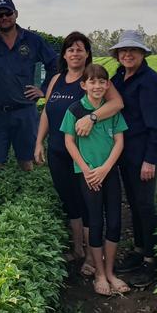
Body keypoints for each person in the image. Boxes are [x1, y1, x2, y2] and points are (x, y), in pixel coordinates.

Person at [34, 32, 124, 275]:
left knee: (88, 205)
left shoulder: (93, 80)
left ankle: (92, 260)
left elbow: (117, 104)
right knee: (69, 202)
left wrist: (92, 117)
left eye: (80, 49)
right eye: (70, 49)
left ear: (87, 54)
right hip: (58, 152)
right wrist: (39, 142)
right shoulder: (56, 80)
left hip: (83, 155)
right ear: (64, 54)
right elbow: (46, 113)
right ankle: (78, 249)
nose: (75, 53)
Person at [61, 64, 130, 296]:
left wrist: (105, 168)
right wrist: (87, 170)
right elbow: (69, 142)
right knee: (95, 222)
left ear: (108, 85)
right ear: (83, 85)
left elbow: (119, 141)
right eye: (92, 81)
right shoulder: (74, 110)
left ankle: (111, 272)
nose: (98, 85)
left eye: (102, 81)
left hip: (108, 173)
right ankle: (99, 273)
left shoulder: (111, 111)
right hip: (88, 175)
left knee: (114, 221)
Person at [0, 0, 58, 172]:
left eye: (8, 13)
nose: (4, 17)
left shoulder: (33, 40)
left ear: (16, 14)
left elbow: (55, 65)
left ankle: (23, 194)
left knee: (26, 163)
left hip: (24, 112)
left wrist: (44, 90)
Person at [109, 30, 157, 288]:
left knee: (145, 206)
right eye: (123, 51)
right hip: (126, 153)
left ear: (143, 53)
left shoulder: (150, 81)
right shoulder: (120, 78)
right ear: (118, 55)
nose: (128, 54)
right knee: (134, 203)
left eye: (133, 50)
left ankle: (150, 262)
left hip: (142, 154)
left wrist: (151, 159)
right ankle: (138, 249)